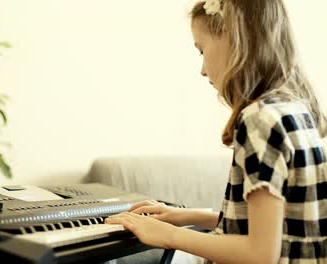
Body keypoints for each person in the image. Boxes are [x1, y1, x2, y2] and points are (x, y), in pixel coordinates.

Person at [105, 0, 327, 263]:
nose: (201, 70)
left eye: (201, 50)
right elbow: (280, 228)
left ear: (234, 39)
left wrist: (166, 234)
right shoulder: (294, 109)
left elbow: (261, 254)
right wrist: (190, 216)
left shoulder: (259, 118)